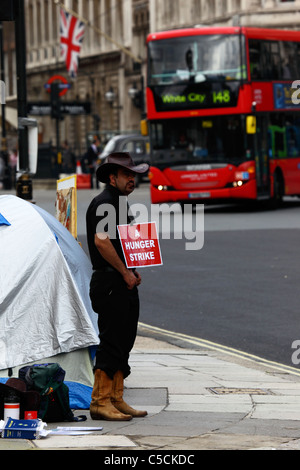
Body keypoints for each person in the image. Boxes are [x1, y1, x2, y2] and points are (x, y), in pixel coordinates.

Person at [86, 152, 149, 421]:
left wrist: (134, 269)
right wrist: (125, 272)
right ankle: (100, 401)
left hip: (123, 280)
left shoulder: (120, 204)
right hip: (110, 281)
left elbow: (128, 242)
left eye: (133, 175)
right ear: (112, 177)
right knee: (111, 340)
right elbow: (102, 242)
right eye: (127, 175)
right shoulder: (105, 203)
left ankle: (116, 398)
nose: (132, 179)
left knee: (125, 339)